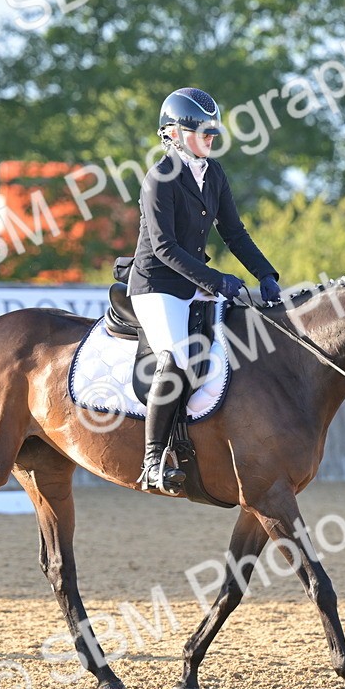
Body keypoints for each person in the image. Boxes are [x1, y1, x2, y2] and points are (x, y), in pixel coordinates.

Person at [128, 87, 282, 493]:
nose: (211, 138)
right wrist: (217, 281)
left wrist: (266, 274)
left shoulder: (213, 173)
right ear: (173, 134)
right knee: (178, 356)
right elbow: (164, 247)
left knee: (239, 341)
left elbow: (234, 232)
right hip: (157, 284)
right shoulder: (159, 178)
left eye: (213, 132)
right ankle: (152, 460)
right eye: (202, 132)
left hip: (193, 282)